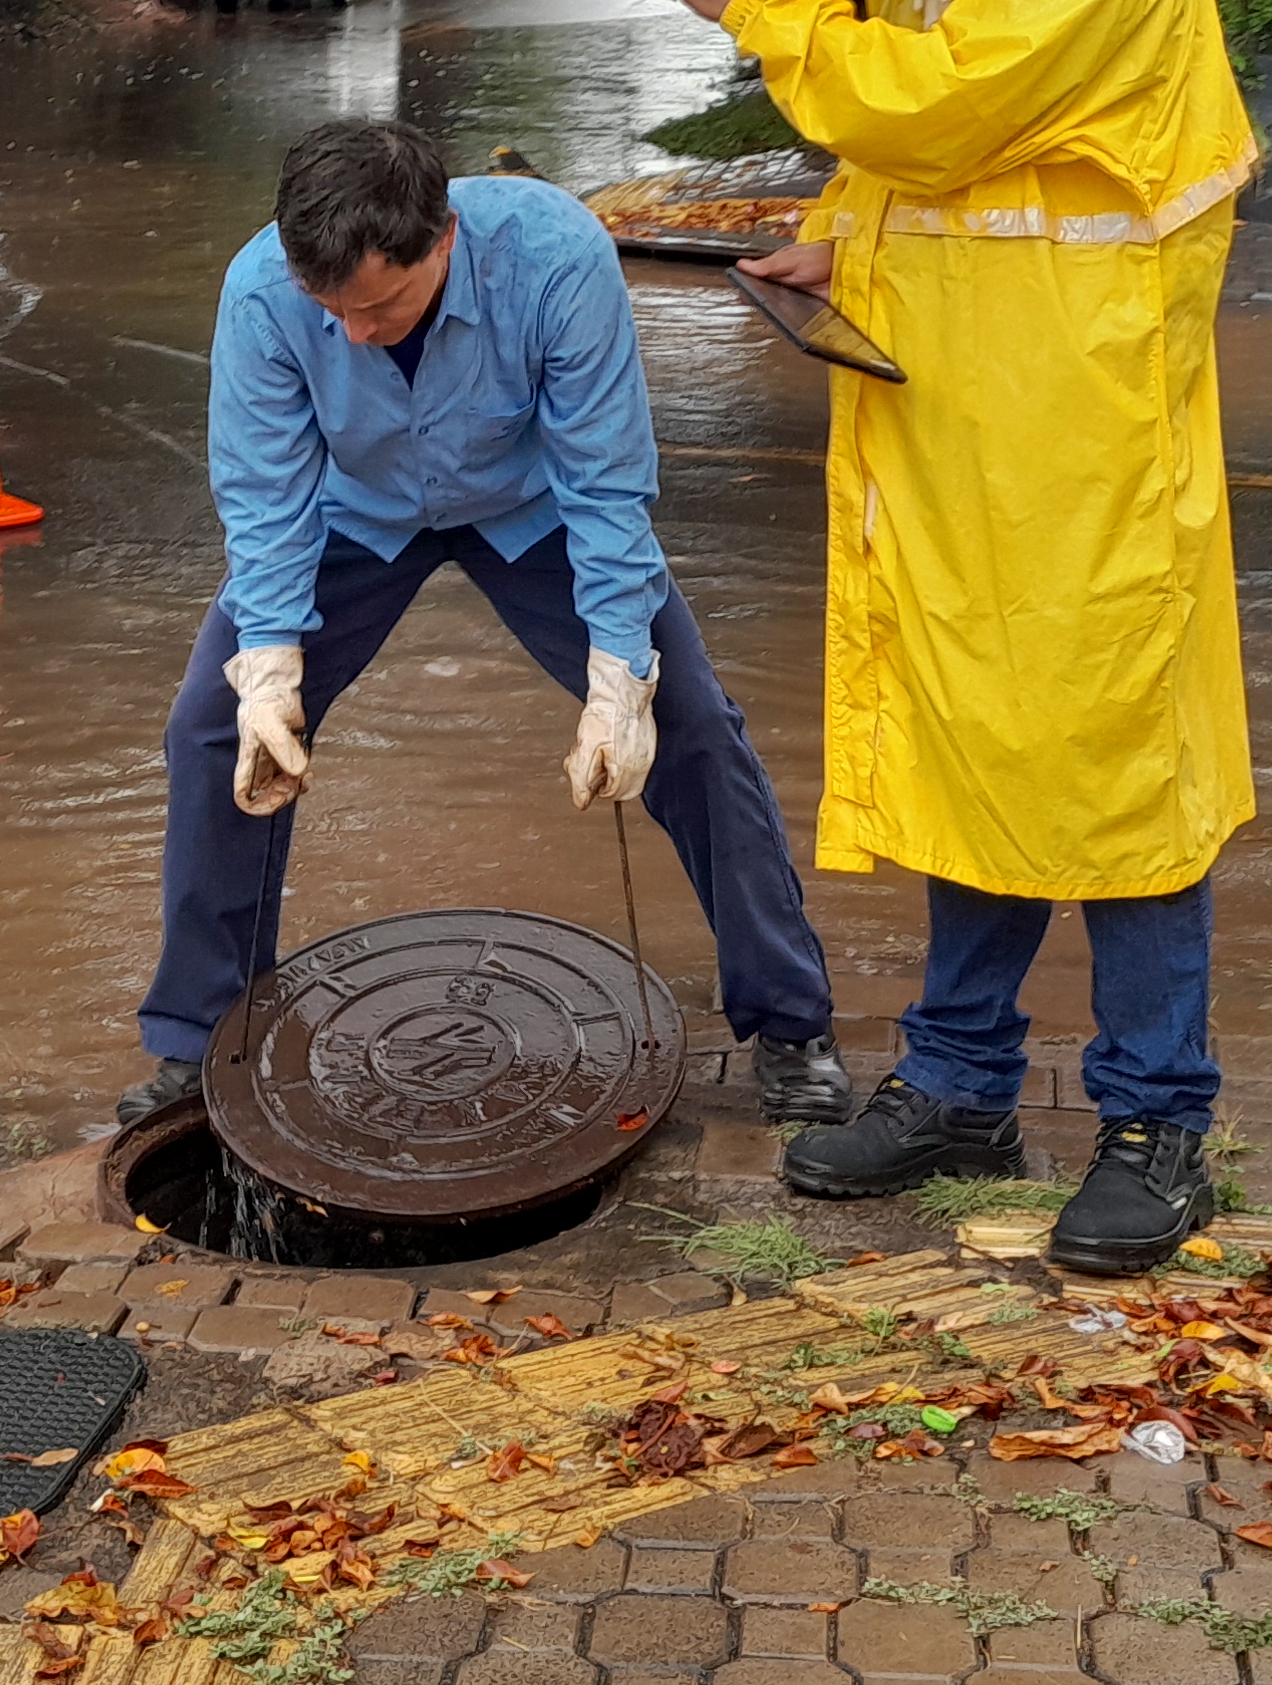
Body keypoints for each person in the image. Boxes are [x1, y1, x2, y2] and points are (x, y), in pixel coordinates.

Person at [658, 0, 1260, 1280]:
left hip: (1086, 450)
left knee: (1117, 773)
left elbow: (936, 107)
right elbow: (916, 170)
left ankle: (1158, 1123)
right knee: (968, 751)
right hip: (956, 439)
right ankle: (960, 1086)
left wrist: (759, 1)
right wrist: (833, 243)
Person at [118, 117, 854, 1129]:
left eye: (380, 306)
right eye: (332, 311)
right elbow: (265, 495)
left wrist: (618, 679)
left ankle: (790, 1023)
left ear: (444, 240)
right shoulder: (261, 292)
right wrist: (271, 667)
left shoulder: (557, 257)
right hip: (355, 514)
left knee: (690, 726)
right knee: (212, 732)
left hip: (533, 507)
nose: (356, 333)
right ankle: (202, 1035)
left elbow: (606, 482)